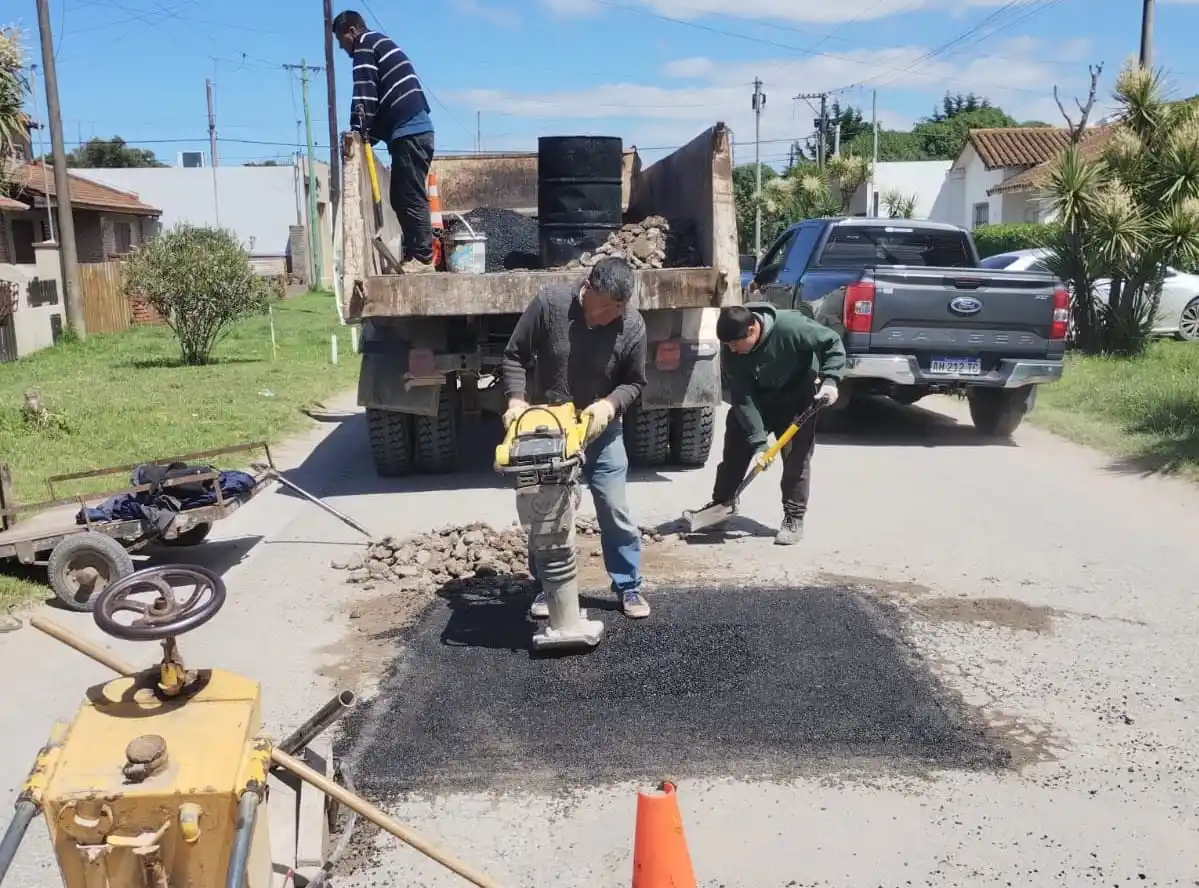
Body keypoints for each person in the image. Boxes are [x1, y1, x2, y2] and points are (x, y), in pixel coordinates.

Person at [500, 256, 651, 619]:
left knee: (614, 507)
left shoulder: (631, 325)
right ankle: (548, 587)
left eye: (617, 310)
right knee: (547, 510)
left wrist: (610, 405)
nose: (608, 318)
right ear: (587, 289)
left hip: (599, 428)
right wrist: (517, 401)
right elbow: (514, 355)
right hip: (550, 428)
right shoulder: (550, 305)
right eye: (603, 310)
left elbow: (635, 382)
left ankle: (627, 584)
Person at [696, 302, 846, 546]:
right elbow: (743, 398)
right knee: (735, 451)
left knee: (796, 460)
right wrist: (758, 443)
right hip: (758, 400)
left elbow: (831, 342)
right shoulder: (732, 349)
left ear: (753, 330)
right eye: (728, 346)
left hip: (797, 400)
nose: (732, 350)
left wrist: (831, 379)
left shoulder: (791, 327)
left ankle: (793, 518)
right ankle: (720, 506)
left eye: (735, 344)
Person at [332, 10, 436, 274]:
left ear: (351, 31)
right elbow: (382, 103)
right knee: (401, 197)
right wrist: (369, 135)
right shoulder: (379, 43)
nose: (343, 49)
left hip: (410, 132)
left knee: (409, 196)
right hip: (412, 130)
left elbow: (365, 92)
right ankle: (417, 255)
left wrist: (357, 129)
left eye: (341, 41)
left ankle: (423, 259)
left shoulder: (364, 46)